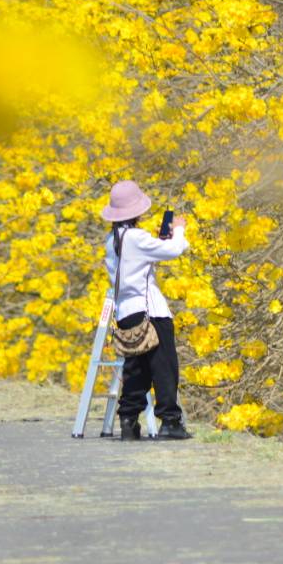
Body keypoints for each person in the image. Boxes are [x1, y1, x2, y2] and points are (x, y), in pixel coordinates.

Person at [101, 179, 191, 440]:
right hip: (151, 312)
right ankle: (170, 421)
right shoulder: (136, 238)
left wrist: (159, 243)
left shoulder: (112, 240)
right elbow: (175, 249)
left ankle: (129, 420)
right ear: (136, 211)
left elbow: (137, 261)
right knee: (164, 366)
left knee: (135, 368)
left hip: (126, 312)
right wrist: (179, 230)